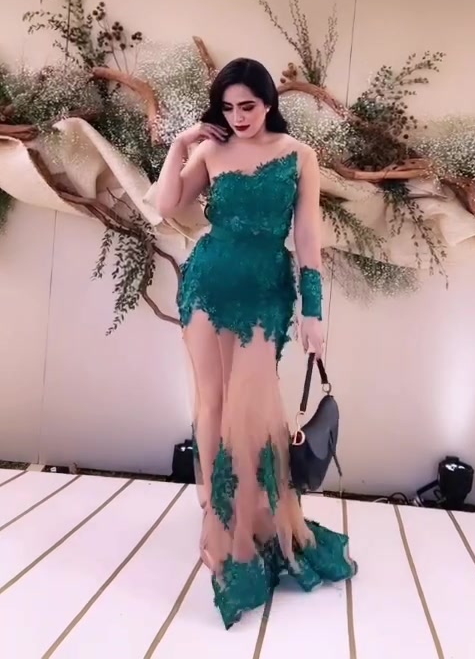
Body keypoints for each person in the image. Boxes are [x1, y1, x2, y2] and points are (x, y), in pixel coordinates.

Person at [154, 57, 357, 629]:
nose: (238, 117)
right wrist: (181, 145)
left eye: (248, 106)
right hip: (206, 285)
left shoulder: (298, 155)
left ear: (268, 102)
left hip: (266, 291)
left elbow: (308, 236)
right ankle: (218, 522)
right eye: (228, 108)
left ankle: (253, 519)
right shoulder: (210, 151)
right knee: (211, 403)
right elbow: (167, 205)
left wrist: (314, 311)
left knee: (251, 410)